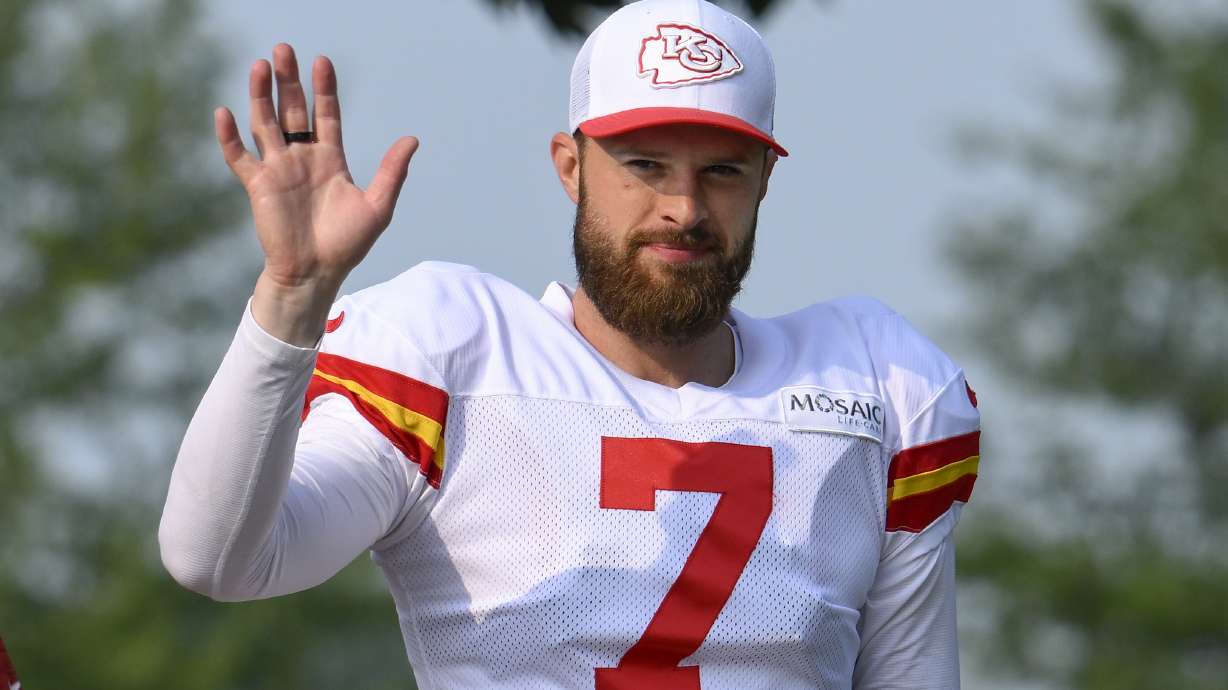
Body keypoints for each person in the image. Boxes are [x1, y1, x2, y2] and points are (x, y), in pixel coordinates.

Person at [159, 1, 982, 687]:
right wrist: (293, 298)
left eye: (722, 171)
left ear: (765, 180)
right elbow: (220, 560)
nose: (684, 209)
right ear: (570, 167)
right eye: (645, 164)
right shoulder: (453, 354)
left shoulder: (879, 387)